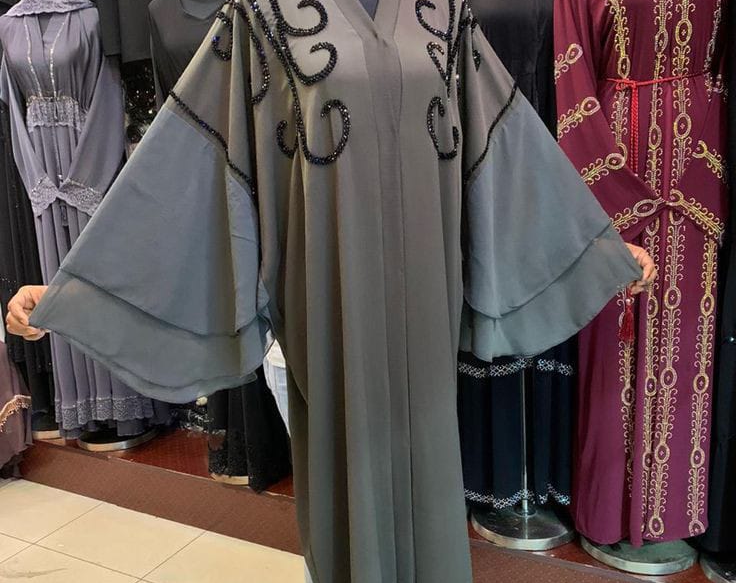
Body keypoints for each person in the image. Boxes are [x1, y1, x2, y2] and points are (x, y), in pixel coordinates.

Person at [7, 245, 657, 344]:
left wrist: (593, 256)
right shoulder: (257, 30)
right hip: (301, 344)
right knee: (334, 518)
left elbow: (493, 185)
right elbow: (189, 218)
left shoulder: (432, 20)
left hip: (412, 339)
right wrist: (70, 295)